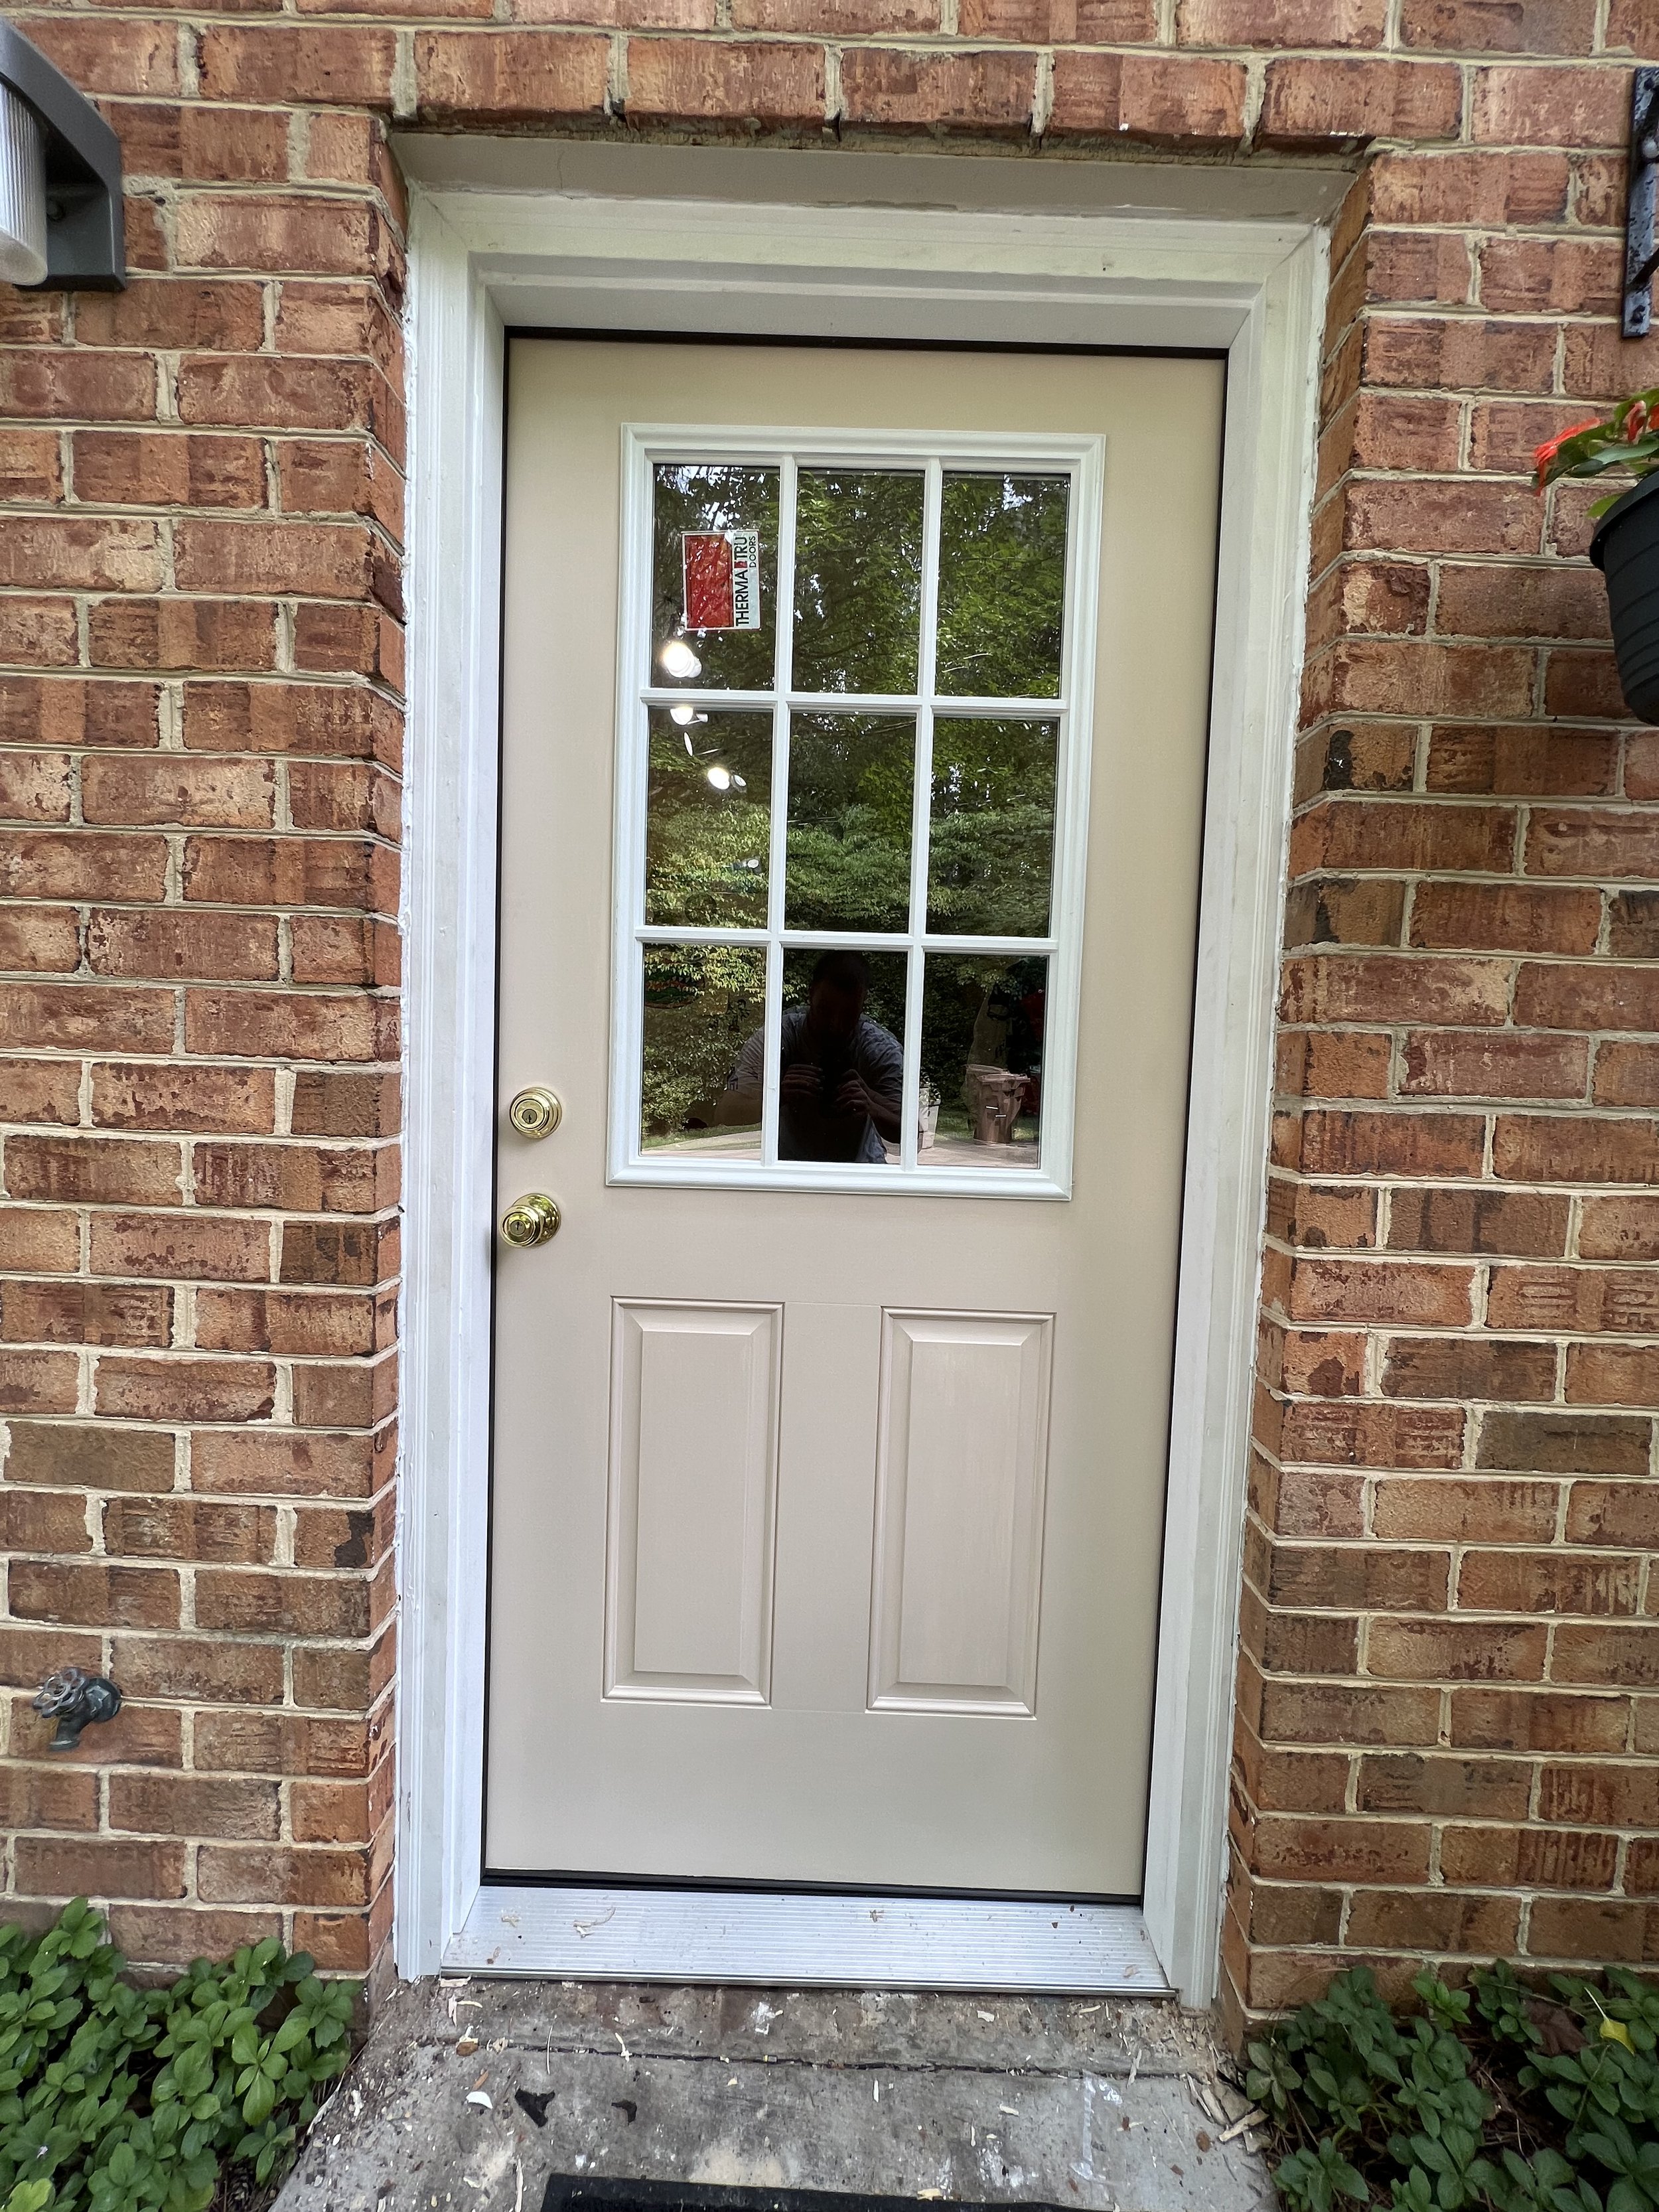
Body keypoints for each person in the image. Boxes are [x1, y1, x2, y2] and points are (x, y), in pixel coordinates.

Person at [718, 950, 902, 1163]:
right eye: (825, 1011)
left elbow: (910, 1135)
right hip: (798, 1169)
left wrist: (870, 1103)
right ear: (811, 993)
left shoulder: (880, 1049)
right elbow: (727, 1113)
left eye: (849, 1014)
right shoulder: (777, 1038)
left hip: (853, 1171)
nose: (835, 1025)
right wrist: (778, 1094)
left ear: (863, 1004)